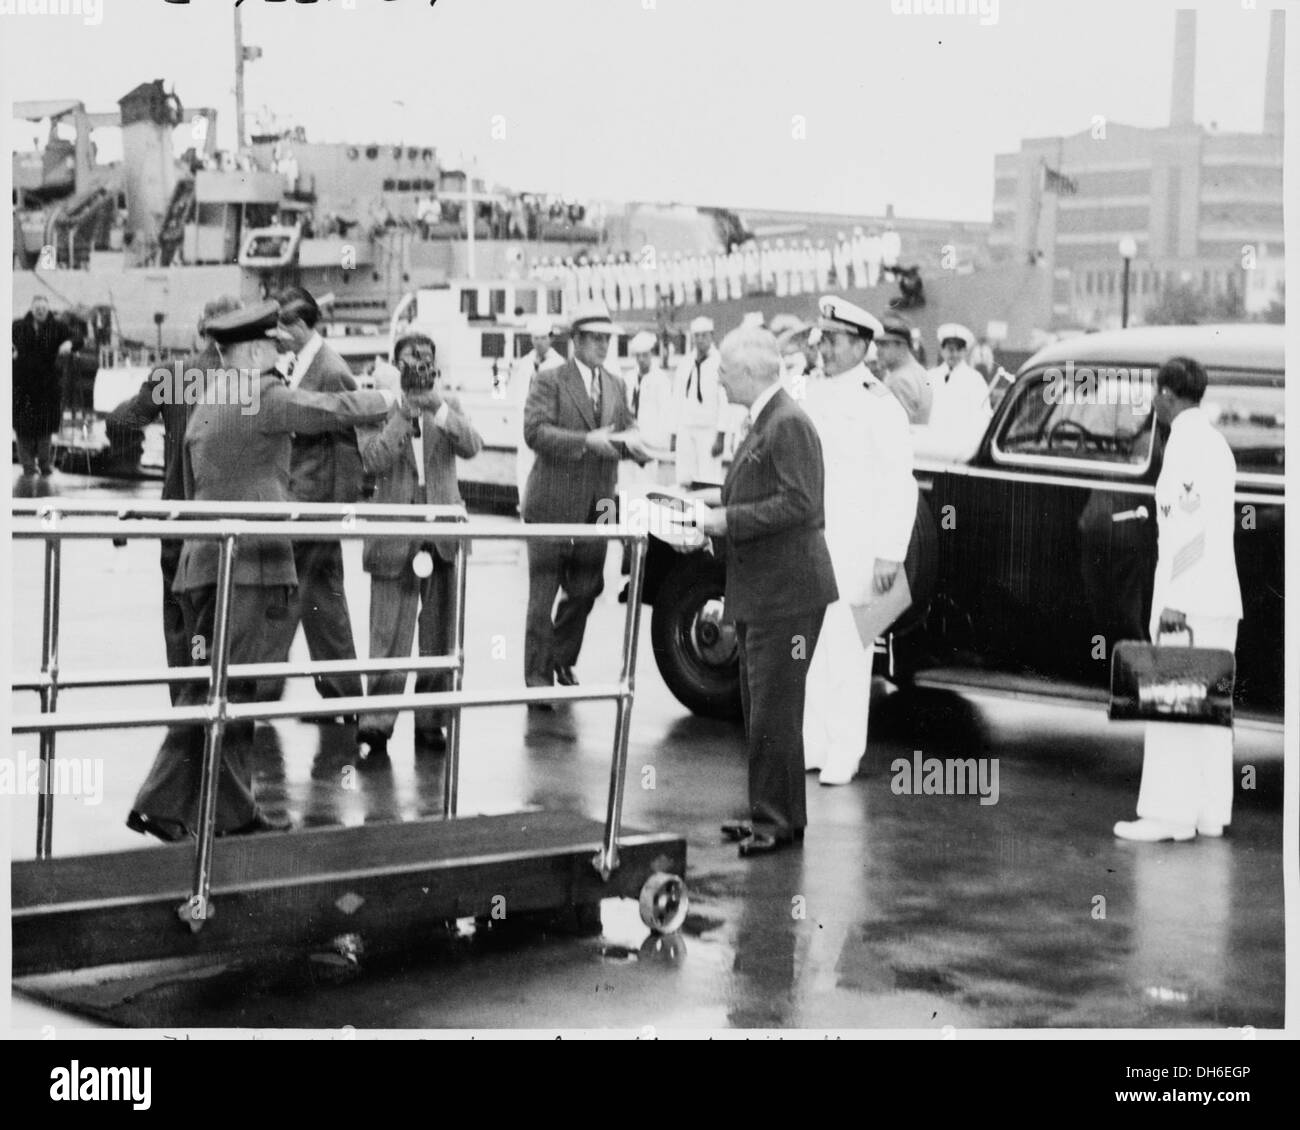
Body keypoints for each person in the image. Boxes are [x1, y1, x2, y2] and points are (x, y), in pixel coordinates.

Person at [127, 301, 398, 842]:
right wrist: (388, 396)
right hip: (248, 570)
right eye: (274, 347)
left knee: (216, 690)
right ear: (251, 350)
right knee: (233, 693)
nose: (281, 356)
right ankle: (172, 804)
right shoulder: (258, 393)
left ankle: (215, 809)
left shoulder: (210, 398)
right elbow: (327, 410)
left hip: (203, 567)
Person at [694, 326, 838, 856]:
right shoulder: (769, 419)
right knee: (764, 706)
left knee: (773, 709)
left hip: (787, 592)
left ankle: (773, 821)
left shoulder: (787, 423)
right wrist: (708, 507)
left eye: (725, 370)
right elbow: (764, 492)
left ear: (753, 372)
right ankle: (774, 813)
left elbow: (801, 503)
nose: (718, 377)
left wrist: (726, 520)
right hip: (768, 588)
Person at [1114, 357, 1242, 843]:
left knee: (1174, 706)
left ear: (1167, 393)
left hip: (1191, 599)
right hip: (1218, 599)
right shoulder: (1214, 442)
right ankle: (1210, 813)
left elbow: (1191, 531)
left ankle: (1169, 816)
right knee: (1208, 708)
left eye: (1155, 392)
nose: (1153, 401)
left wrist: (1175, 600)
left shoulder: (1187, 445)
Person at [801, 297, 916, 786]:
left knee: (849, 649)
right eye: (822, 339)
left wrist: (891, 551)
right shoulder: (809, 391)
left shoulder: (879, 402)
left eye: (832, 340)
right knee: (809, 648)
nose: (823, 348)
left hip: (855, 547)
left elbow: (899, 481)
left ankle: (845, 749)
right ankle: (813, 742)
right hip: (811, 543)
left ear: (860, 346)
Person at [108, 295, 242, 703]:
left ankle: (186, 703)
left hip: (180, 515)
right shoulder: (250, 382)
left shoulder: (173, 376)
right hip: (233, 522)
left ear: (202, 328)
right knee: (223, 619)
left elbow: (123, 422)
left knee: (181, 618)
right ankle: (219, 700)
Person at [355, 334, 483, 760]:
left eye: (428, 358)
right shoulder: (375, 408)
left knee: (439, 637)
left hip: (442, 534)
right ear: (396, 364)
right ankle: (376, 723)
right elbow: (372, 459)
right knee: (388, 635)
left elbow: (472, 446)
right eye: (413, 358)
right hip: (395, 536)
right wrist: (403, 414)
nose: (420, 365)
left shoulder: (448, 408)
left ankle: (432, 722)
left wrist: (437, 409)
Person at [521, 301, 647, 699]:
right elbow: (534, 433)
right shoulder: (550, 380)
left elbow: (623, 430)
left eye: (606, 339)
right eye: (594, 339)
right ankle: (539, 679)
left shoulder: (616, 384)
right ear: (574, 341)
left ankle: (561, 655)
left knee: (588, 587)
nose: (603, 346)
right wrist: (584, 442)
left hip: (601, 503)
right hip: (552, 501)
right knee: (543, 593)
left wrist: (638, 447)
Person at [272, 286, 367, 714]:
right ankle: (342, 695)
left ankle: (265, 688)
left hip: (316, 500)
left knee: (297, 595)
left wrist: (336, 509)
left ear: (304, 325)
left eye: (284, 325)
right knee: (320, 599)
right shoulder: (304, 361)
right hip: (305, 497)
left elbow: (348, 439)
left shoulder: (330, 369)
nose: (277, 333)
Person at [12, 295, 74, 476]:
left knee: (44, 428)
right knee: (23, 429)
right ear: (32, 309)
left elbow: (78, 338)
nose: (40, 311)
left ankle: (46, 467)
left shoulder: (57, 328)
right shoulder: (18, 327)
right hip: (21, 387)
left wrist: (69, 343)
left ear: (48, 310)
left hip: (47, 387)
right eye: (37, 308)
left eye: (43, 308)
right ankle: (28, 469)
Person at [508, 316, 565, 511]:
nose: (538, 342)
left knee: (547, 470)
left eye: (542, 338)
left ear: (550, 339)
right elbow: (516, 394)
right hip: (525, 426)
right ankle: (524, 510)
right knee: (523, 469)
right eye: (535, 338)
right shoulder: (524, 364)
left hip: (548, 427)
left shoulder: (559, 365)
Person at [915, 322, 992, 462]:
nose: (954, 354)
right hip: (932, 448)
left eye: (959, 350)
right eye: (950, 349)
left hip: (960, 450)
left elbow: (983, 417)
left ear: (965, 351)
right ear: (942, 350)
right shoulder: (931, 376)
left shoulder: (975, 380)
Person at [672, 316, 727, 487]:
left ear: (712, 336)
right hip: (686, 428)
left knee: (708, 479)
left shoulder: (720, 362)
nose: (700, 340)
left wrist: (721, 435)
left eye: (704, 335)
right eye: (697, 336)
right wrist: (674, 432)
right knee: (685, 477)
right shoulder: (685, 363)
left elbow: (725, 401)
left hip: (709, 430)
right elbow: (677, 398)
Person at [624, 331, 675, 485]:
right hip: (632, 434)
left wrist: (659, 444)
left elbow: (666, 413)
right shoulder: (630, 377)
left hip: (651, 437)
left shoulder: (661, 379)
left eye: (644, 355)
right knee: (628, 479)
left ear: (651, 354)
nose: (641, 359)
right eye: (637, 355)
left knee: (647, 481)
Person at [874, 311, 933, 425]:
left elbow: (895, 428)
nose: (878, 351)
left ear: (902, 345)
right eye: (877, 344)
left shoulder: (899, 380)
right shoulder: (917, 371)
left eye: (884, 345)